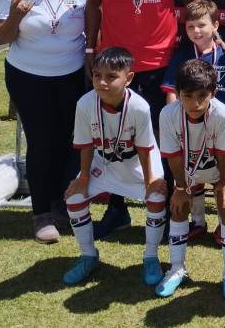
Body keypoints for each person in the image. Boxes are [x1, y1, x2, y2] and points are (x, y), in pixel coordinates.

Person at [84, 0, 197, 238]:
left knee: (160, 140)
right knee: (116, 139)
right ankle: (117, 209)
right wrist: (90, 50)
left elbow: (192, 4)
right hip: (115, 67)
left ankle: (160, 212)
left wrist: (207, 37)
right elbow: (93, 5)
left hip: (160, 63)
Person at [0, 0, 88, 243]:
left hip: (71, 76)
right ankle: (41, 214)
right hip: (28, 76)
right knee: (41, 142)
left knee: (68, 143)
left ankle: (61, 205)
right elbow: (2, 38)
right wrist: (14, 16)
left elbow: (93, 30)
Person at [62, 47, 167, 286]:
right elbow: (86, 144)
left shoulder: (139, 106)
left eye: (111, 77)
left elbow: (144, 148)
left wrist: (151, 180)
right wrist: (84, 178)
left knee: (156, 199)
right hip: (103, 163)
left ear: (128, 78)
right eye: (98, 75)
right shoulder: (85, 103)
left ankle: (151, 257)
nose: (102, 82)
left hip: (138, 164)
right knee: (74, 199)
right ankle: (88, 256)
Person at [156, 59, 225, 299]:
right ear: (178, 93)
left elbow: (222, 154)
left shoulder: (221, 114)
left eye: (203, 95)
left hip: (221, 165)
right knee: (179, 205)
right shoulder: (168, 114)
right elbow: (173, 156)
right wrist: (182, 188)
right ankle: (176, 268)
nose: (195, 103)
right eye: (188, 96)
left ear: (213, 93)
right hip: (189, 167)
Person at [161, 0, 225, 241]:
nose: (196, 31)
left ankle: (223, 223)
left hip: (219, 126)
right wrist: (178, 123)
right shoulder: (183, 55)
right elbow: (171, 90)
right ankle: (197, 221)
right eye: (190, 26)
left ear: (215, 25)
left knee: (220, 176)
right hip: (189, 125)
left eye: (202, 25)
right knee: (192, 171)